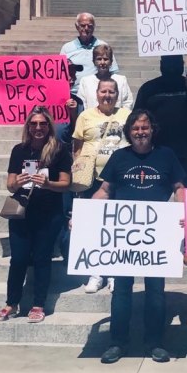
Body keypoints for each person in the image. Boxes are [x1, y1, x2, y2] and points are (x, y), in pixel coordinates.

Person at [92, 109, 186, 364]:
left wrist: (184, 213)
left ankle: (154, 343)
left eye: (145, 127)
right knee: (122, 290)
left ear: (152, 130)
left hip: (157, 235)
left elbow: (179, 188)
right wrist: (83, 215)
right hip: (124, 236)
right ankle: (117, 342)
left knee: (155, 291)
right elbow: (105, 190)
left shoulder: (166, 155)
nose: (140, 132)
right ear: (129, 132)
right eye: (135, 128)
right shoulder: (119, 157)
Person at [0, 106, 72, 324]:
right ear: (28, 126)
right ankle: (11, 303)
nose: (38, 128)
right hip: (22, 211)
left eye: (43, 124)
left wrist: (48, 183)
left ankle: (38, 304)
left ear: (49, 126)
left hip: (49, 213)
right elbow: (9, 184)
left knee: (42, 258)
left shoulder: (59, 150)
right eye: (34, 124)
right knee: (18, 258)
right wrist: (16, 182)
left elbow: (66, 183)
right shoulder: (19, 150)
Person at [72, 77, 131, 293]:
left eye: (111, 92)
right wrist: (79, 169)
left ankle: (114, 273)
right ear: (96, 93)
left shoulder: (126, 115)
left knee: (117, 228)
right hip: (93, 180)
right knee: (94, 227)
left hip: (120, 180)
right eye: (103, 91)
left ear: (117, 94)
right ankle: (96, 273)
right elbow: (77, 146)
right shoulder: (85, 116)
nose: (107, 95)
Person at [133, 55, 187, 186]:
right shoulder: (148, 89)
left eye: (175, 62)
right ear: (161, 64)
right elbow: (135, 121)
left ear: (182, 64)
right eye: (168, 62)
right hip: (155, 156)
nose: (172, 66)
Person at [59, 12, 118, 93]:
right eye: (83, 25)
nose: (86, 28)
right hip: (74, 93)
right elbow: (60, 74)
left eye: (89, 26)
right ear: (77, 26)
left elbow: (113, 72)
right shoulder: (67, 48)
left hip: (97, 93)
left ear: (94, 27)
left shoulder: (103, 46)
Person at [79, 43, 134, 111]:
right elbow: (82, 104)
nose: (102, 62)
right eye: (99, 59)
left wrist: (121, 116)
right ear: (94, 61)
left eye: (105, 59)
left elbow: (127, 102)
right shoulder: (86, 81)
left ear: (111, 62)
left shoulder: (121, 80)